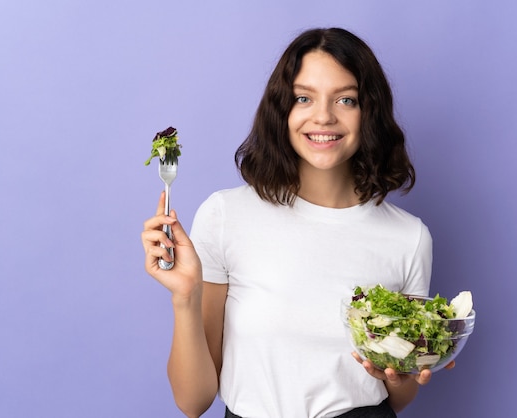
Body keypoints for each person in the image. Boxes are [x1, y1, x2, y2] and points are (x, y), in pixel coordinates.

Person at [141, 27, 452, 418]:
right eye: (303, 98)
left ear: (368, 112)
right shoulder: (225, 216)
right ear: (282, 111)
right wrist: (185, 297)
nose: (323, 116)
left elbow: (399, 397)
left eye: (346, 99)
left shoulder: (409, 238)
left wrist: (395, 374)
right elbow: (193, 401)